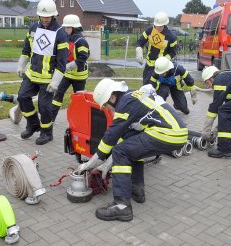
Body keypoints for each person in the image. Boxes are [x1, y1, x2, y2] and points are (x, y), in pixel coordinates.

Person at [76, 79, 188, 222]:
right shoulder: (131, 97)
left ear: (112, 97)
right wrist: (105, 165)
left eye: (105, 105)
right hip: (177, 132)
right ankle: (137, 191)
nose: (106, 108)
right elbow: (125, 138)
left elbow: (110, 138)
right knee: (131, 147)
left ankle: (122, 206)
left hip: (167, 132)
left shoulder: (124, 104)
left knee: (119, 151)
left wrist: (88, 164)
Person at [16, 0, 68, 145]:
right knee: (22, 97)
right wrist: (21, 65)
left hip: (48, 78)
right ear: (39, 16)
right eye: (43, 16)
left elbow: (62, 62)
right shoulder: (33, 28)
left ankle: (47, 133)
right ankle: (33, 124)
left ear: (54, 16)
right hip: (32, 74)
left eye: (48, 16)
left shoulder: (60, 33)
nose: (45, 19)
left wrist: (56, 81)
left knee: (44, 107)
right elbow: (26, 49)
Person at [51, 14, 90, 121]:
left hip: (79, 76)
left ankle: (81, 120)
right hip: (67, 74)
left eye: (68, 27)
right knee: (58, 94)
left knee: (79, 99)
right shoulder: (66, 38)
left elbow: (82, 58)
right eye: (65, 27)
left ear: (74, 27)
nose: (65, 29)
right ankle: (51, 118)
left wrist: (67, 67)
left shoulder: (81, 41)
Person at [135, 11, 178, 84]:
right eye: (156, 25)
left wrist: (164, 60)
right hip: (148, 66)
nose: (157, 28)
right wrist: (138, 51)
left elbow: (173, 52)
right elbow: (140, 42)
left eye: (160, 26)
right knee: (146, 87)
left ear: (164, 24)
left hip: (160, 67)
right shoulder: (150, 30)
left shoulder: (171, 37)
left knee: (157, 90)